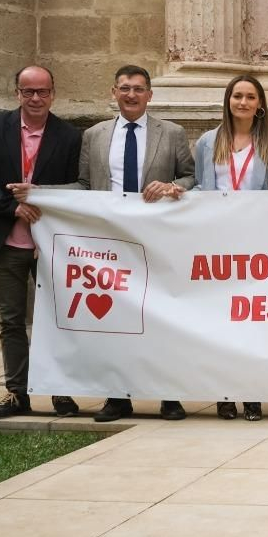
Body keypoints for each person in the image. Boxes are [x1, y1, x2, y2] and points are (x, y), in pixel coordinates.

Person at [67, 65, 195, 423]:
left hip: (155, 239)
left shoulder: (171, 133)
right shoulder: (94, 135)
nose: (131, 95)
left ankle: (169, 395)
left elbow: (190, 176)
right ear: (114, 92)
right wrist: (41, 195)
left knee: (161, 319)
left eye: (139, 89)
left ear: (150, 95)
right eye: (124, 88)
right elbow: (83, 185)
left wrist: (171, 187)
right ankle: (117, 397)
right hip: (109, 241)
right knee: (116, 321)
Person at [0, 65, 83, 420]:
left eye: (42, 91)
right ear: (17, 93)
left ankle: (61, 392)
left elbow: (79, 186)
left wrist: (41, 195)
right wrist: (12, 207)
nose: (35, 98)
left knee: (58, 320)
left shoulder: (68, 136)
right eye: (28, 91)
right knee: (11, 321)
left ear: (53, 94)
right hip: (7, 241)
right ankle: (17, 392)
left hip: (51, 247)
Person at [194, 74, 268, 422]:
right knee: (221, 320)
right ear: (228, 100)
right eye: (237, 96)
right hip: (217, 240)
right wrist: (177, 192)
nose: (243, 102)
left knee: (252, 319)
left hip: (255, 241)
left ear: (259, 104)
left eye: (250, 97)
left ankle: (252, 394)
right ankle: (223, 393)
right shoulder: (208, 141)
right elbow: (199, 186)